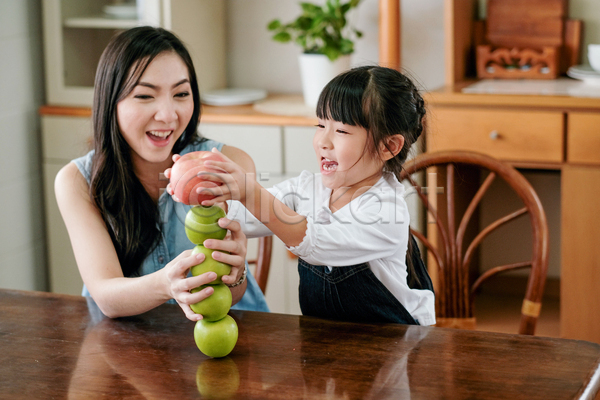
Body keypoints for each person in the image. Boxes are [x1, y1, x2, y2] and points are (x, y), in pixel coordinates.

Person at [54, 26, 269, 322]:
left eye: (181, 93)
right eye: (144, 96)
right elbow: (106, 297)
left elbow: (229, 291)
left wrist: (236, 272)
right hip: (128, 348)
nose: (168, 115)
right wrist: (166, 284)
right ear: (110, 101)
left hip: (230, 335)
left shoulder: (227, 164)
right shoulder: (77, 181)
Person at [196, 66, 435, 325]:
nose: (323, 140)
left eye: (341, 131)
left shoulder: (387, 212)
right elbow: (241, 218)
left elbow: (314, 242)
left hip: (396, 350)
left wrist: (250, 191)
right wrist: (207, 192)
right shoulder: (306, 189)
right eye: (320, 124)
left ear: (389, 146)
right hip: (324, 347)